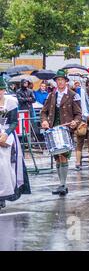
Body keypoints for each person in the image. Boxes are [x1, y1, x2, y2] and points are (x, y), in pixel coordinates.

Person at [40, 70, 82, 196]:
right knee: (57, 157)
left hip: (66, 129)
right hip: (53, 128)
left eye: (62, 80)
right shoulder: (51, 95)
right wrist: (45, 121)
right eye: (58, 80)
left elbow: (78, 114)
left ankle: (63, 184)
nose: (60, 82)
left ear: (66, 81)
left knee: (63, 156)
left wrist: (75, 122)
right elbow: (44, 111)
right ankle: (61, 183)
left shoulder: (73, 95)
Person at [0, 76, 31, 210]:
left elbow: (14, 121)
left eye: (0, 90)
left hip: (6, 136)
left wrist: (6, 134)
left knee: (5, 166)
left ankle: (3, 196)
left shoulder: (10, 102)